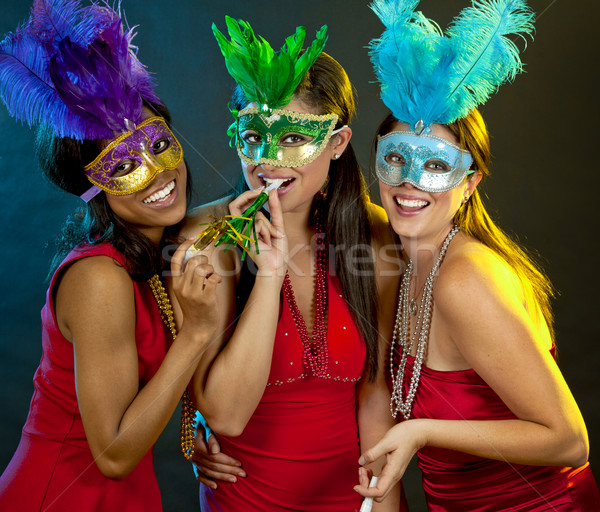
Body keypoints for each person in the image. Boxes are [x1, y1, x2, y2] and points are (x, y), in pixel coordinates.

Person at [355, 0, 600, 510]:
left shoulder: (463, 279)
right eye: (394, 158)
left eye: (436, 166)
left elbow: (569, 439)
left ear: (469, 185)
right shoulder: (404, 260)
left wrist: (422, 431)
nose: (408, 182)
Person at [0, 2, 220, 510]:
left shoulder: (146, 244)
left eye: (160, 143)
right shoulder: (99, 278)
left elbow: (201, 214)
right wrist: (198, 334)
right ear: (91, 192)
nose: (158, 173)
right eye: (123, 165)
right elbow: (114, 455)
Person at [180, 17, 404, 511]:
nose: (267, 159)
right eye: (253, 136)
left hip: (349, 499)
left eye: (292, 139)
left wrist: (383, 503)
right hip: (246, 498)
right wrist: (271, 273)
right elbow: (226, 415)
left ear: (337, 144)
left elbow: (376, 392)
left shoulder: (377, 235)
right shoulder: (206, 237)